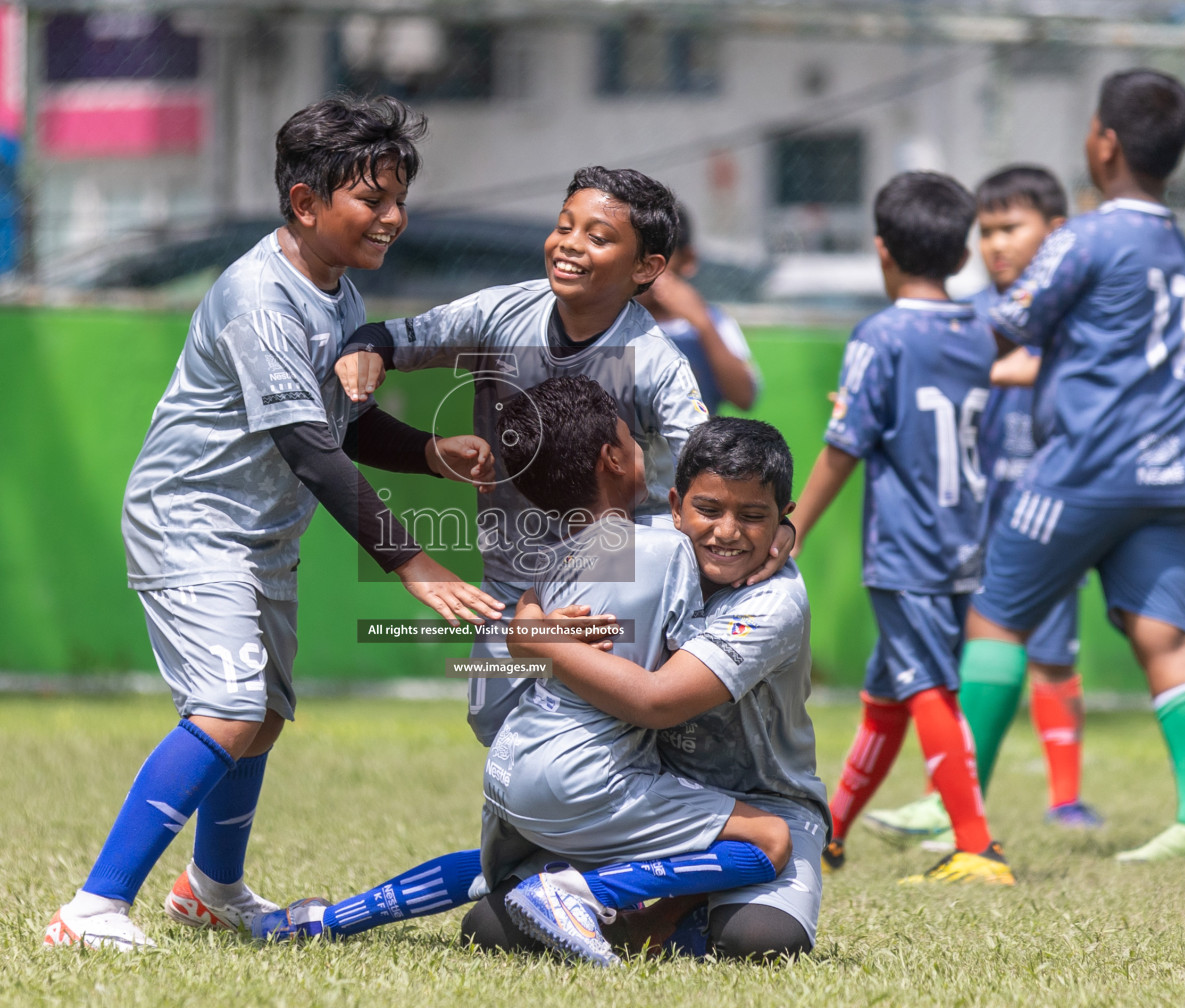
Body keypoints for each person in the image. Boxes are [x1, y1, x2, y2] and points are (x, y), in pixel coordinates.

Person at [42, 96, 504, 952]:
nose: (394, 217)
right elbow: (309, 450)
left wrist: (433, 451)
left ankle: (213, 890)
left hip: (261, 533)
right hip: (194, 525)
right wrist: (414, 564)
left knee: (260, 718)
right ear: (305, 202)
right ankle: (93, 908)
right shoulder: (261, 301)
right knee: (225, 708)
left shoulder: (333, 287)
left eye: (399, 197)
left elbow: (344, 424)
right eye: (373, 200)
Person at [252, 379, 790, 966]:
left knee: (494, 869)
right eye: (628, 437)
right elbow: (692, 641)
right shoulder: (665, 550)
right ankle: (577, 896)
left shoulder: (554, 564)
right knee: (769, 839)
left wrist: (531, 628)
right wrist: (777, 533)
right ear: (613, 459)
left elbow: (503, 669)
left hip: (512, 763)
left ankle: (326, 920)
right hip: (584, 774)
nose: (641, 447)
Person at [335, 167, 792, 748]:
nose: (570, 244)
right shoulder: (498, 314)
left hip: (612, 586)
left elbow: (712, 467)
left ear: (646, 269)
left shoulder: (653, 361)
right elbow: (390, 336)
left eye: (598, 237)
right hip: (507, 583)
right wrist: (366, 351)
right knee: (495, 726)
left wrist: (777, 522)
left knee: (599, 731)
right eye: (563, 227)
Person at [956, 69, 1185, 866]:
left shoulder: (1086, 235)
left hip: (1086, 465)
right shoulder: (1172, 240)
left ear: (1105, 143)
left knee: (995, 617)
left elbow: (1009, 320)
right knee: (1165, 634)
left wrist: (922, 341)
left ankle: (964, 821)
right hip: (1167, 470)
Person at [489, 414, 827, 962]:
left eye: (754, 517)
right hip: (649, 792)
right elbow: (543, 583)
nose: (727, 531)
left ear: (782, 519)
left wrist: (539, 643)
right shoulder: (650, 544)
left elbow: (657, 702)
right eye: (709, 510)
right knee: (493, 928)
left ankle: (659, 911)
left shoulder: (775, 602)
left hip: (766, 808)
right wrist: (528, 621)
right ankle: (621, 904)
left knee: (760, 941)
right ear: (675, 507)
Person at [866, 166, 1103, 847]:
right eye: (987, 232)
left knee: (1052, 651)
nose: (998, 244)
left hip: (1048, 507)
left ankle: (1066, 797)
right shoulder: (964, 315)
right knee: (954, 656)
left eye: (1011, 228)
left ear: (1053, 234)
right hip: (970, 514)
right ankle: (944, 798)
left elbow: (1069, 370)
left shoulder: (1065, 312)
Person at [788, 171, 1011, 885]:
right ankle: (830, 835)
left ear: (882, 251)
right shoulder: (981, 330)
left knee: (928, 689)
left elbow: (844, 446)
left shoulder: (879, 334)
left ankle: (977, 846)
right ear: (963, 255)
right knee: (889, 690)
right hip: (962, 540)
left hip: (908, 546)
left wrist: (787, 528)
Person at [637, 204, 761, 411]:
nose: (645, 267)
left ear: (687, 259)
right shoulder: (613, 318)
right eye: (635, 255)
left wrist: (703, 324)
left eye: (658, 256)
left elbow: (744, 397)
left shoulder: (712, 320)